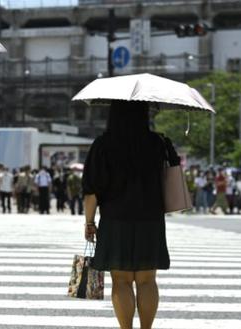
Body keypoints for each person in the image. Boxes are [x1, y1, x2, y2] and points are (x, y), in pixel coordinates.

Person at [82, 100, 176, 329]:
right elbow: (172, 175)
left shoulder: (103, 144)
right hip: (151, 220)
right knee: (147, 280)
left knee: (121, 281)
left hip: (115, 219)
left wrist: (89, 222)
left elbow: (91, 190)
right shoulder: (158, 143)